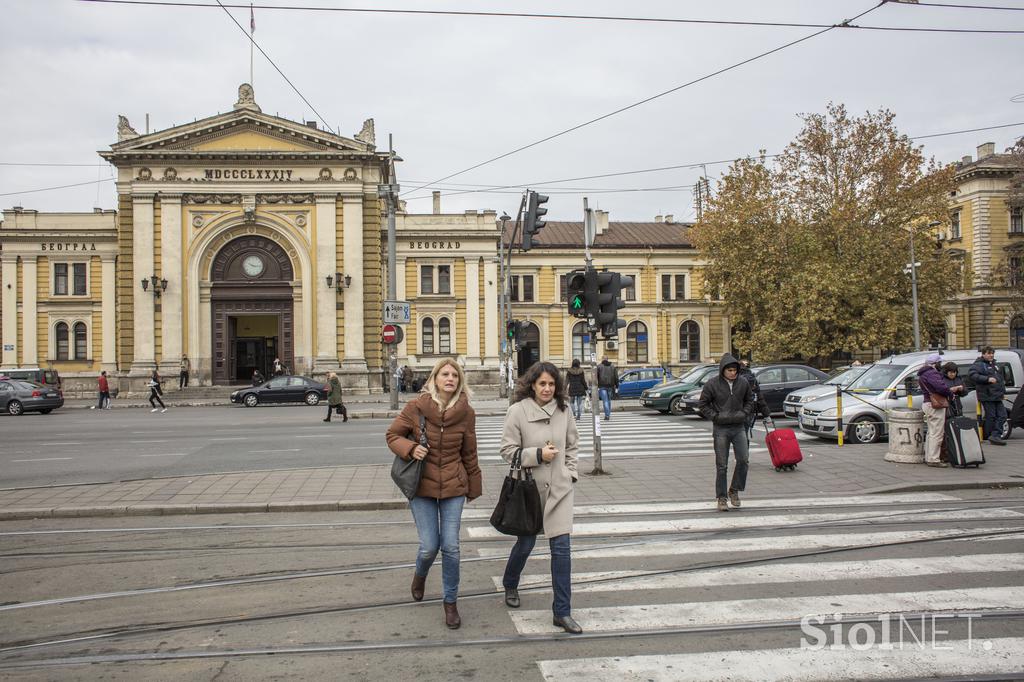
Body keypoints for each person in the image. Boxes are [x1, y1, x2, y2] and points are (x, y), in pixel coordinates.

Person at [385, 358, 481, 630]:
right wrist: (410, 448)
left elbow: (469, 452)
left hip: (453, 485)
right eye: (445, 374)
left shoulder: (467, 412)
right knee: (429, 546)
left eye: (454, 375)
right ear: (435, 379)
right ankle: (420, 574)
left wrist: (473, 485)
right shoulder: (416, 407)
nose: (450, 378)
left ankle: (450, 603)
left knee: (450, 546)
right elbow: (392, 436)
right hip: (422, 486)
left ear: (459, 381)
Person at [500, 361, 581, 634]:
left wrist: (570, 472)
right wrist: (536, 455)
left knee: (562, 550)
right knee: (525, 544)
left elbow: (572, 445)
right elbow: (507, 451)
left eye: (551, 384)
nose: (547, 388)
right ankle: (511, 582)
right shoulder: (517, 411)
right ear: (532, 385)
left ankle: (562, 612)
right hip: (529, 491)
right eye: (542, 383)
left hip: (559, 489)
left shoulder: (564, 410)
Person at [697, 353, 754, 512]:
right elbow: (703, 404)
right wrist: (714, 416)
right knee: (722, 465)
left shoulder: (742, 383)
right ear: (723, 370)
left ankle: (734, 490)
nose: (733, 373)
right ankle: (722, 498)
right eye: (729, 370)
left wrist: (744, 413)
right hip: (721, 428)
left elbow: (750, 400)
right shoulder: (712, 384)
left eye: (735, 370)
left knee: (743, 460)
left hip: (738, 427)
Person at [918, 354, 958, 468]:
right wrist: (950, 393)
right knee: (937, 433)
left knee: (931, 432)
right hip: (935, 404)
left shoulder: (923, 374)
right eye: (939, 363)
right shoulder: (932, 373)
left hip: (927, 403)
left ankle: (928, 456)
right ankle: (934, 459)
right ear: (935, 364)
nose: (941, 365)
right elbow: (940, 387)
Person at [969, 346, 1007, 446]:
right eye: (989, 353)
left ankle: (995, 435)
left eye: (992, 353)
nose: (991, 355)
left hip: (997, 395)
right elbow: (972, 375)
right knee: (991, 416)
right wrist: (987, 379)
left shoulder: (994, 364)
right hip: (987, 395)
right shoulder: (979, 364)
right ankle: (991, 435)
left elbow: (999, 380)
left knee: (1003, 416)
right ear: (983, 354)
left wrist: (1002, 392)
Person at [940, 362, 970, 463]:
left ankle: (958, 452)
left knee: (958, 428)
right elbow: (941, 391)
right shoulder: (942, 379)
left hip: (957, 405)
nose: (952, 374)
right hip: (947, 406)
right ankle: (946, 454)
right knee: (946, 430)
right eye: (950, 372)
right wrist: (951, 390)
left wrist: (961, 389)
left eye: (954, 372)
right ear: (946, 372)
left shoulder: (959, 379)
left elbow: (965, 392)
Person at [737, 359, 769, 440]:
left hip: (738, 411)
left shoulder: (736, 378)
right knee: (745, 433)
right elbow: (759, 397)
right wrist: (766, 414)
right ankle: (745, 451)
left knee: (738, 434)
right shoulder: (752, 379)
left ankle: (741, 451)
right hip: (750, 410)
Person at [596, 357, 618, 421]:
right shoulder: (613, 366)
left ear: (602, 359)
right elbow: (616, 377)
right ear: (607, 359)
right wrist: (617, 386)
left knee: (605, 401)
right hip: (611, 386)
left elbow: (596, 377)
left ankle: (607, 415)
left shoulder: (599, 366)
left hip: (602, 386)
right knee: (609, 400)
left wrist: (597, 386)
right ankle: (608, 414)